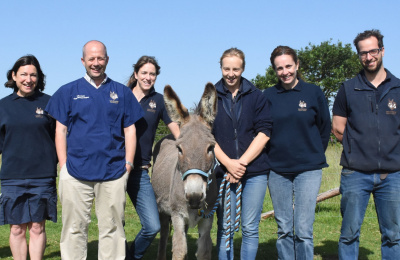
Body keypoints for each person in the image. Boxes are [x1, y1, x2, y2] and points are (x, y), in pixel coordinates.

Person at [45, 40, 143, 260]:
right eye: (91, 59)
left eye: (100, 58)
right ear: (83, 61)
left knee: (112, 230)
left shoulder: (121, 92)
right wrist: (64, 165)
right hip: (76, 173)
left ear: (107, 60)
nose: (96, 63)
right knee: (74, 229)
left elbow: (130, 130)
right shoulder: (68, 91)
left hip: (112, 173)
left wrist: (128, 164)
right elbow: (60, 131)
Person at [332, 29, 400, 259]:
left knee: (392, 235)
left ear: (382, 50)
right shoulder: (348, 89)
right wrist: (358, 147)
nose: (368, 57)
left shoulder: (398, 88)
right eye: (363, 53)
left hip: (392, 175)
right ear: (359, 56)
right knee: (349, 233)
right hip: (355, 173)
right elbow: (338, 128)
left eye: (373, 51)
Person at [264, 46, 331, 259]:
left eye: (288, 66)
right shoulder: (268, 96)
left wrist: (313, 152)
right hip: (277, 170)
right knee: (284, 229)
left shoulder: (313, 92)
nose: (285, 72)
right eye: (279, 68)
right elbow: (262, 130)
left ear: (297, 65)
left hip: (308, 169)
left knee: (303, 230)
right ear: (275, 70)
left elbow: (324, 127)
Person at [212, 47, 272, 259]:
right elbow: (207, 135)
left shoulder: (257, 96)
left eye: (235, 69)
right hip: (223, 172)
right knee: (225, 227)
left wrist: (241, 164)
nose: (231, 74)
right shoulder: (211, 96)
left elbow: (264, 133)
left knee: (249, 228)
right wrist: (228, 164)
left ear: (243, 69)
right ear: (221, 68)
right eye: (226, 68)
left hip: (255, 171)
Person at [0, 55, 57, 260]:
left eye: (33, 75)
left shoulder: (49, 103)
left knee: (37, 227)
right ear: (14, 76)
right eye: (23, 74)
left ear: (38, 77)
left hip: (43, 176)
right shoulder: (3, 106)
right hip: (12, 177)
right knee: (16, 228)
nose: (28, 79)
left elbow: (58, 138)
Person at [125, 55, 179, 259]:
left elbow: (177, 132)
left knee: (152, 225)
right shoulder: (122, 95)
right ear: (136, 74)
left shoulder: (159, 101)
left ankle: (132, 256)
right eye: (144, 73)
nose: (148, 77)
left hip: (140, 171)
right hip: (114, 169)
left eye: (152, 74)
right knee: (115, 222)